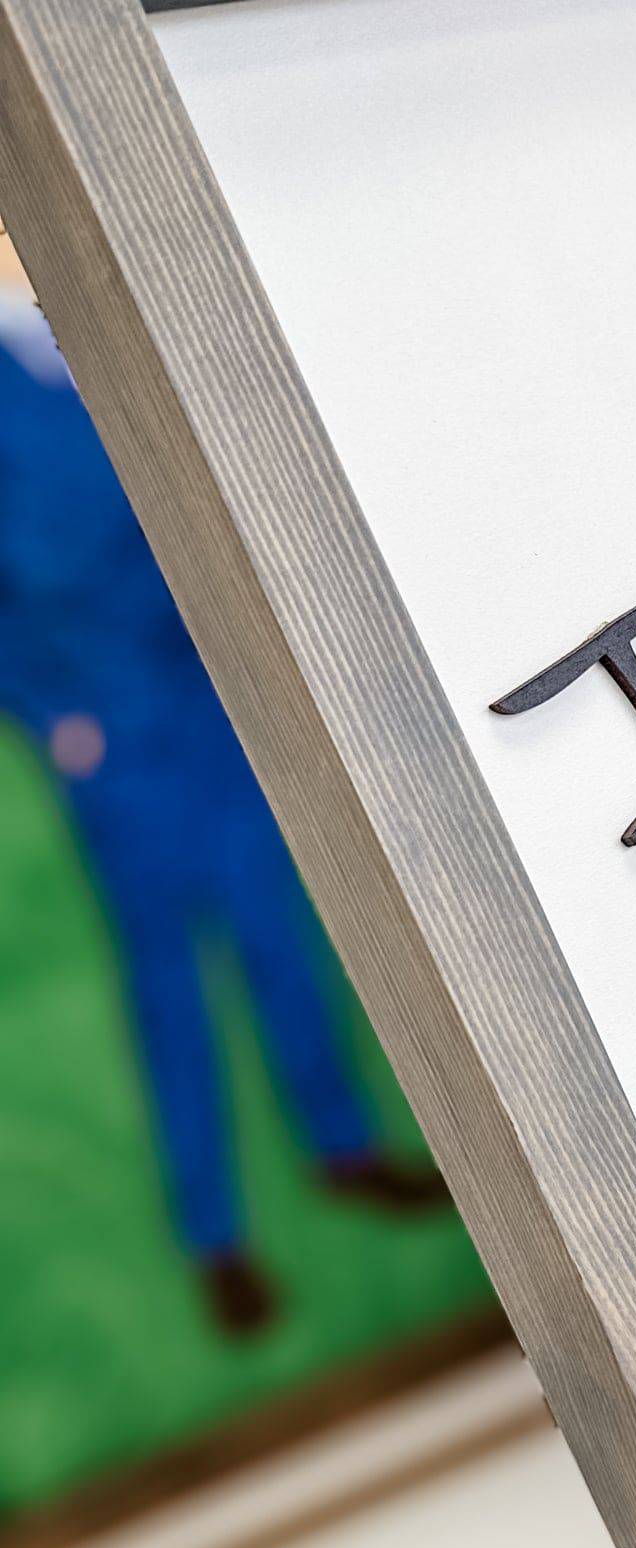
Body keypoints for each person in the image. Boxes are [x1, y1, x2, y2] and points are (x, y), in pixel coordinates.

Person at [0, 285, 443, 1334]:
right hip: (114, 731)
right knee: (169, 980)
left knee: (275, 930)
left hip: (209, 695)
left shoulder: (110, 334)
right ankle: (215, 1236)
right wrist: (57, 713)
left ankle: (341, 1146)